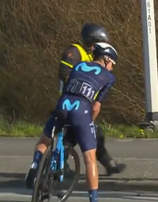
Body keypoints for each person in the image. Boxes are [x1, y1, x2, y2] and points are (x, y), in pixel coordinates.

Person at [24, 23, 122, 189]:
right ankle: (56, 166)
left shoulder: (92, 57)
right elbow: (64, 73)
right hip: (72, 101)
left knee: (93, 135)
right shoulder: (75, 51)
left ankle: (106, 164)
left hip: (83, 103)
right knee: (74, 135)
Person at [46, 42, 118, 202]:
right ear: (107, 58)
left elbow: (67, 86)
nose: (112, 66)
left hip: (63, 105)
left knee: (46, 139)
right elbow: (95, 107)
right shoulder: (108, 77)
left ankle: (38, 173)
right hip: (82, 110)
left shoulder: (78, 65)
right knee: (90, 158)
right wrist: (88, 123)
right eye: (112, 62)